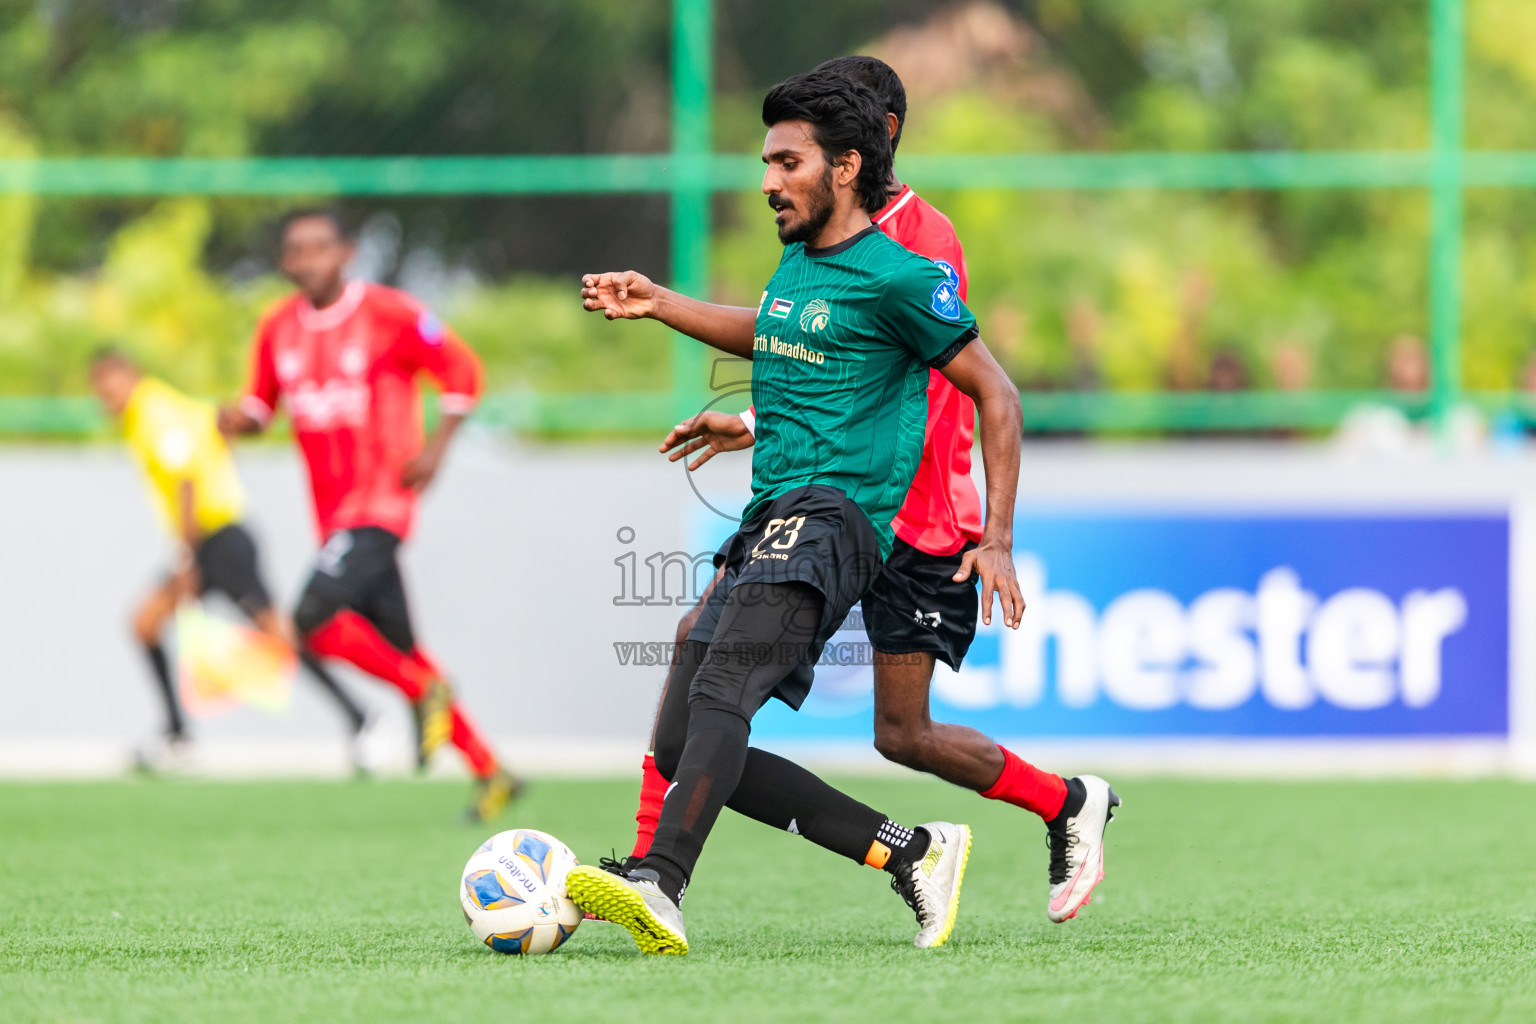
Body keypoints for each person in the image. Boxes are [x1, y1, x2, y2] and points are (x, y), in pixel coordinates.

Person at [612, 55, 1118, 928]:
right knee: (731, 683)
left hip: (909, 516)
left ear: (865, 147)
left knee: (863, 721)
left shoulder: (914, 247)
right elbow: (805, 346)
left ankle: (658, 878)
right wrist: (746, 404)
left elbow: (936, 381)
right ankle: (910, 851)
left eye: (789, 158)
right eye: (770, 158)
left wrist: (993, 536)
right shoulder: (808, 249)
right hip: (811, 499)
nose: (770, 177)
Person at [217, 209, 517, 823]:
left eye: (320, 247)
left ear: (345, 252)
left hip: (380, 501)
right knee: (403, 648)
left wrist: (435, 449)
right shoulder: (278, 328)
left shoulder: (389, 312)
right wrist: (238, 421)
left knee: (309, 620)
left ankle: (422, 694)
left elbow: (462, 370)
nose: (309, 260)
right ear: (286, 262)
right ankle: (492, 771)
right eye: (296, 250)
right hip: (333, 519)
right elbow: (260, 403)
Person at [89, 348, 375, 773]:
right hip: (206, 541)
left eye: (113, 386)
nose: (108, 398)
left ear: (132, 376)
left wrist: (185, 557)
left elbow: (185, 477)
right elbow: (217, 429)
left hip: (219, 540)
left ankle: (361, 718)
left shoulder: (155, 412)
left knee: (279, 635)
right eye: (101, 392)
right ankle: (176, 734)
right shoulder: (157, 411)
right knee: (145, 623)